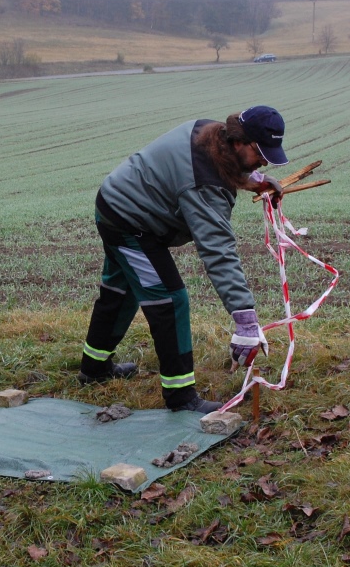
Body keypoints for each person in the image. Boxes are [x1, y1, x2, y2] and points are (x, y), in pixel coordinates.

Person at [78, 106, 289, 413]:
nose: (265, 160)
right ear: (239, 140)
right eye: (260, 153)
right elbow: (218, 251)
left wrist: (252, 178)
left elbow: (222, 166)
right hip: (129, 222)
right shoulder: (203, 183)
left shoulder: (210, 133)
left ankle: (93, 369)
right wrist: (245, 319)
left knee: (119, 292)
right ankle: (180, 397)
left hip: (115, 203)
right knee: (169, 299)